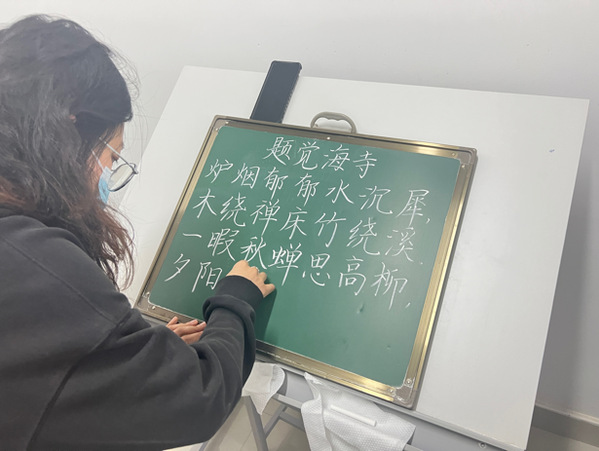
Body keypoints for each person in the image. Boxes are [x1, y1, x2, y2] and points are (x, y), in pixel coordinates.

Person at [0, 15, 275, 450]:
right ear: (68, 136)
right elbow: (198, 397)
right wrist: (234, 301)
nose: (109, 177)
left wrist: (124, 355)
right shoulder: (38, 263)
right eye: (112, 157)